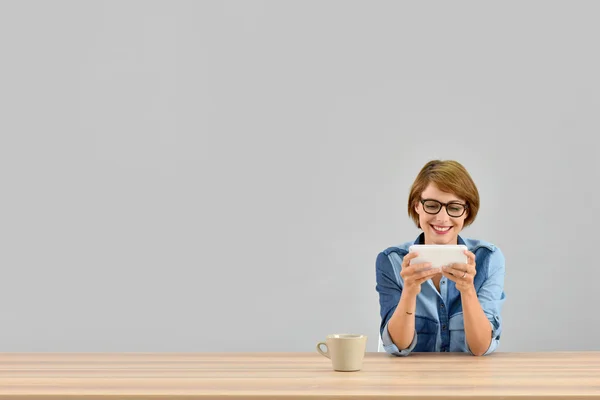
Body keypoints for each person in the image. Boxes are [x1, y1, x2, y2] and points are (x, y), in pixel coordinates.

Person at [375, 160, 506, 356]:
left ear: (466, 212)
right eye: (432, 205)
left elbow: (481, 348)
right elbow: (399, 346)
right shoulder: (391, 261)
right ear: (417, 206)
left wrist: (467, 290)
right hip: (411, 381)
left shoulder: (488, 258)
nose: (442, 218)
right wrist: (409, 291)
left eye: (454, 207)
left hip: (470, 382)